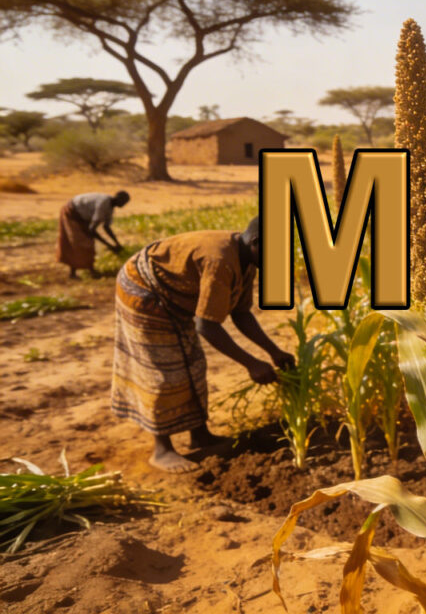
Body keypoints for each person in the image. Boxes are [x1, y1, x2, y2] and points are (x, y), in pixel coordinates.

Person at [110, 218, 294, 472]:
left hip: (174, 296)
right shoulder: (220, 260)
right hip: (144, 290)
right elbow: (206, 326)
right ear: (256, 243)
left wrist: (274, 351)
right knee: (164, 370)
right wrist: (252, 364)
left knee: (193, 363)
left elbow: (241, 314)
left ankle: (200, 435)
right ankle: (162, 450)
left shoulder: (247, 261)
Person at [57, 191, 131, 278]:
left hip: (82, 217)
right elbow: (92, 230)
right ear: (118, 199)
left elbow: (107, 227)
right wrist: (110, 246)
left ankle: (89, 269)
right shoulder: (103, 204)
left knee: (87, 242)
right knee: (79, 242)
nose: (124, 205)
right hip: (72, 213)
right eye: (124, 202)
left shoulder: (110, 208)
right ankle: (75, 273)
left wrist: (117, 244)